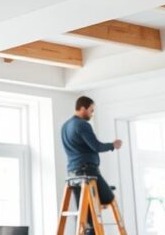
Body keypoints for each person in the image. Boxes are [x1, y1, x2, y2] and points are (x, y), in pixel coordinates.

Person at [60, 95, 122, 231]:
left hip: (73, 173)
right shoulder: (82, 125)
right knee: (108, 197)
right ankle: (100, 196)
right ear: (83, 108)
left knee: (84, 211)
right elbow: (97, 146)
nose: (92, 114)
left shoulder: (65, 126)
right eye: (91, 110)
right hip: (87, 171)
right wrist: (113, 145)